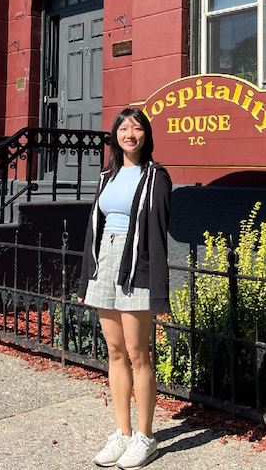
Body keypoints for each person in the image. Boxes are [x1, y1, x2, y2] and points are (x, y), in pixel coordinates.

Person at [78, 107, 172, 469]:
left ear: (146, 135)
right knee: (115, 351)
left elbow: (159, 234)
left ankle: (145, 437)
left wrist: (157, 286)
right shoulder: (108, 175)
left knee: (137, 353)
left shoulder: (157, 177)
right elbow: (94, 228)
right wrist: (88, 273)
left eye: (136, 128)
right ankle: (123, 432)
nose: (129, 134)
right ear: (115, 134)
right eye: (123, 128)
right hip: (105, 260)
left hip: (137, 264)